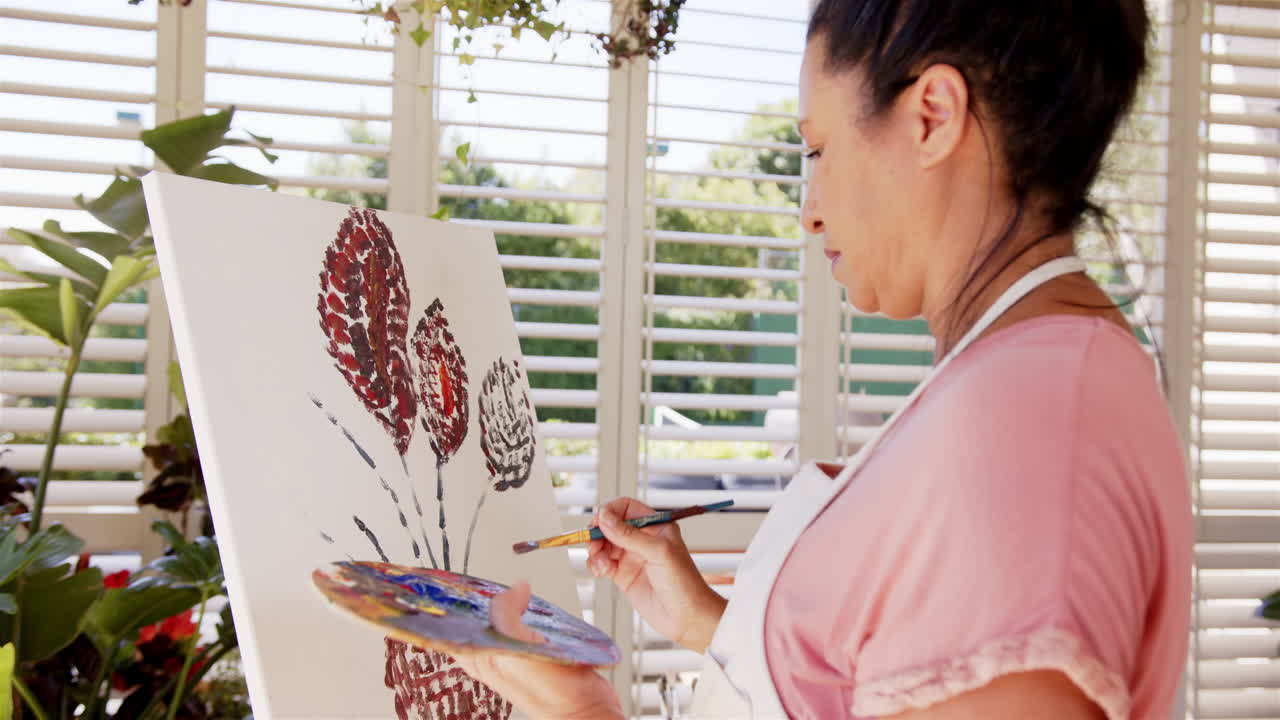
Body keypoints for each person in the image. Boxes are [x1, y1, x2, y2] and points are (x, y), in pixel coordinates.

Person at [454, 0, 1193, 717]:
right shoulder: (1025, 378)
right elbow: (861, 679)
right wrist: (713, 625)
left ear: (932, 114)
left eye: (818, 149)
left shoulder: (1025, 425)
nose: (807, 209)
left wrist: (582, 714)